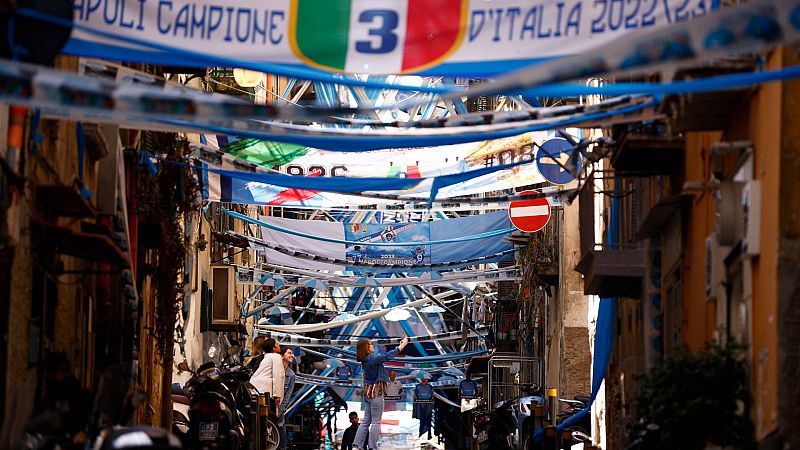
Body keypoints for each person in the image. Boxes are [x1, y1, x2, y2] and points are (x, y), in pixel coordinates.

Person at [353, 337, 409, 450]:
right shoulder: (372, 359)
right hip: (376, 391)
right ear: (366, 348)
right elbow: (388, 356)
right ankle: (372, 447)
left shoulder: (364, 361)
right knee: (376, 422)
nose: (373, 345)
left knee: (365, 422)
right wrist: (402, 346)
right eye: (370, 344)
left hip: (368, 392)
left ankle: (357, 445)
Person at [249, 338, 285, 410]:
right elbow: (277, 376)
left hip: (255, 387)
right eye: (277, 344)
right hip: (265, 390)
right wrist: (277, 395)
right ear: (273, 348)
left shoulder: (266, 356)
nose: (279, 345)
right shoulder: (276, 356)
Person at [278, 347, 296, 450]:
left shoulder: (291, 375)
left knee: (281, 434)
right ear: (281, 355)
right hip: (268, 404)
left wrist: (281, 410)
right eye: (289, 353)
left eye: (292, 353)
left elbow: (288, 395)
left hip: (280, 409)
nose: (292, 355)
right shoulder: (274, 369)